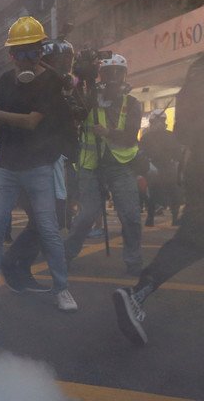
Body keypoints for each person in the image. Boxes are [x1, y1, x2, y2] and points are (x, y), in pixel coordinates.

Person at [0, 16, 77, 312]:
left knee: (49, 228)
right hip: (8, 166)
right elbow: (4, 124)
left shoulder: (51, 81)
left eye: (33, 52)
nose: (26, 60)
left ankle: (62, 288)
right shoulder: (4, 79)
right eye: (19, 53)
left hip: (38, 165)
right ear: (10, 55)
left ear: (41, 51)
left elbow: (31, 121)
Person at [112, 54, 204, 346]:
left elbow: (182, 133)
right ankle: (136, 294)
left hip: (196, 167)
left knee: (190, 240)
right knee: (191, 239)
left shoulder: (196, 70)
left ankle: (138, 294)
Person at [63, 53, 143, 276]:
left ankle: (134, 261)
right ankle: (66, 256)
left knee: (131, 215)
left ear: (125, 74)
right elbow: (74, 106)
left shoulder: (133, 103)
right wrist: (77, 79)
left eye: (119, 72)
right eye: (109, 73)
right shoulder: (90, 99)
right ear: (101, 75)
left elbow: (130, 136)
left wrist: (108, 132)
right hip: (91, 166)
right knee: (87, 215)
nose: (114, 77)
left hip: (120, 166)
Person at [140, 110, 182, 227]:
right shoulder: (146, 137)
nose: (159, 124)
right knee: (152, 193)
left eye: (161, 121)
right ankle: (150, 217)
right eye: (156, 121)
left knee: (175, 192)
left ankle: (174, 217)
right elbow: (141, 153)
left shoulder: (170, 136)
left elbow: (178, 152)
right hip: (152, 168)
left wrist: (176, 161)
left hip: (168, 167)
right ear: (152, 122)